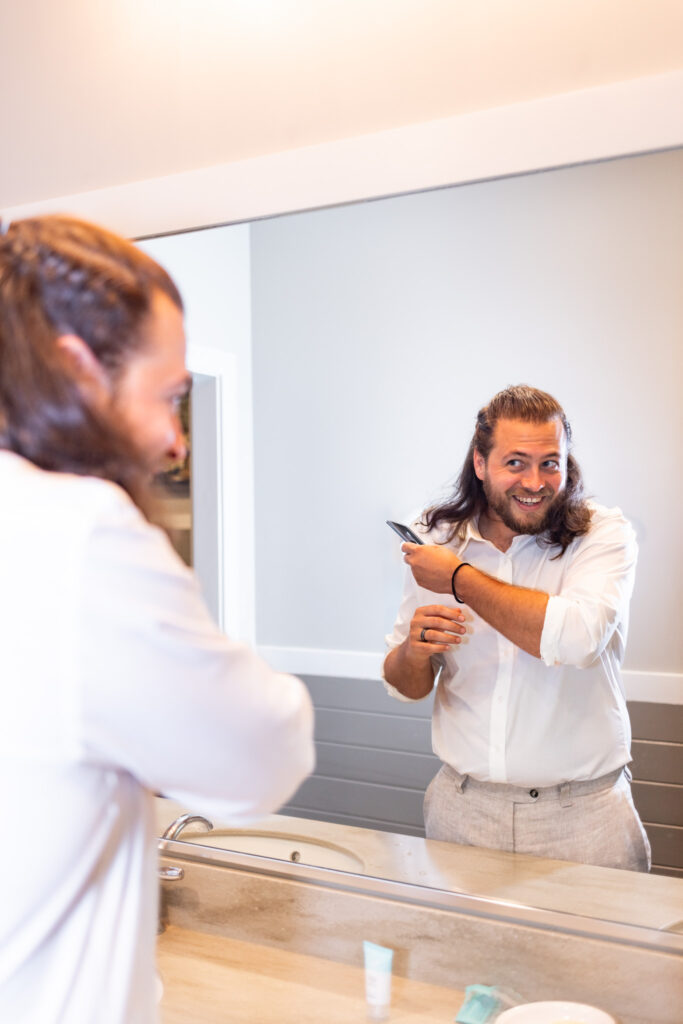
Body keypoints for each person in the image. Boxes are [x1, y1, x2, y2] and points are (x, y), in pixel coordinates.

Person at [0, 215, 315, 1023]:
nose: (175, 441)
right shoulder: (77, 531)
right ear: (75, 370)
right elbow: (264, 756)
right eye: (168, 398)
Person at [383, 384, 650, 872]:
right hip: (462, 812)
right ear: (480, 464)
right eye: (515, 462)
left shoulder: (603, 535)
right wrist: (414, 652)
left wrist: (460, 579)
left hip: (585, 820)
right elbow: (405, 686)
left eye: (551, 462)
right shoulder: (435, 539)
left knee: (603, 953)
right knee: (460, 952)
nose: (535, 481)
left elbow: (576, 640)